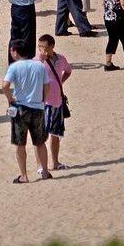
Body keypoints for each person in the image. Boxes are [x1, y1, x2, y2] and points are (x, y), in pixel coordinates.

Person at [2, 39, 51, 184]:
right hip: (37, 107)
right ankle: (45, 172)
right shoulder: (39, 66)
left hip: (21, 108)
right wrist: (43, 99)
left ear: (15, 52)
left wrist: (10, 99)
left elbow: (5, 86)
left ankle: (24, 175)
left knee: (20, 144)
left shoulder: (15, 67)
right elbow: (46, 86)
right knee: (40, 142)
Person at [37, 34, 71, 172]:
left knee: (55, 134)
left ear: (51, 47)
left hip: (57, 101)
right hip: (42, 103)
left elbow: (68, 71)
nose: (41, 50)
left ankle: (55, 162)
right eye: (39, 47)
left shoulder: (61, 59)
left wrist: (60, 82)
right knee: (40, 136)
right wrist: (40, 60)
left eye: (43, 47)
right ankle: (40, 165)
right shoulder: (37, 60)